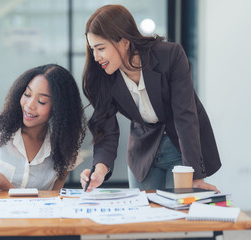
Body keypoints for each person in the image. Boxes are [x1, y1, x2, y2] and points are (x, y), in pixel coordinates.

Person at [80, 5, 221, 192]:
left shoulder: (170, 55)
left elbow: (184, 115)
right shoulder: (103, 77)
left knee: (177, 212)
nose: (96, 57)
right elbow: (105, 130)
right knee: (143, 214)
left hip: (182, 148)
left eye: (101, 48)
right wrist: (99, 169)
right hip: (143, 152)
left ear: (124, 41)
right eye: (92, 49)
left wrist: (194, 176)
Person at [0, 64, 86, 191]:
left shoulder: (63, 148)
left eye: (41, 101)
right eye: (27, 94)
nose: (29, 105)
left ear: (59, 108)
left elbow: (54, 202)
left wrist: (8, 188)